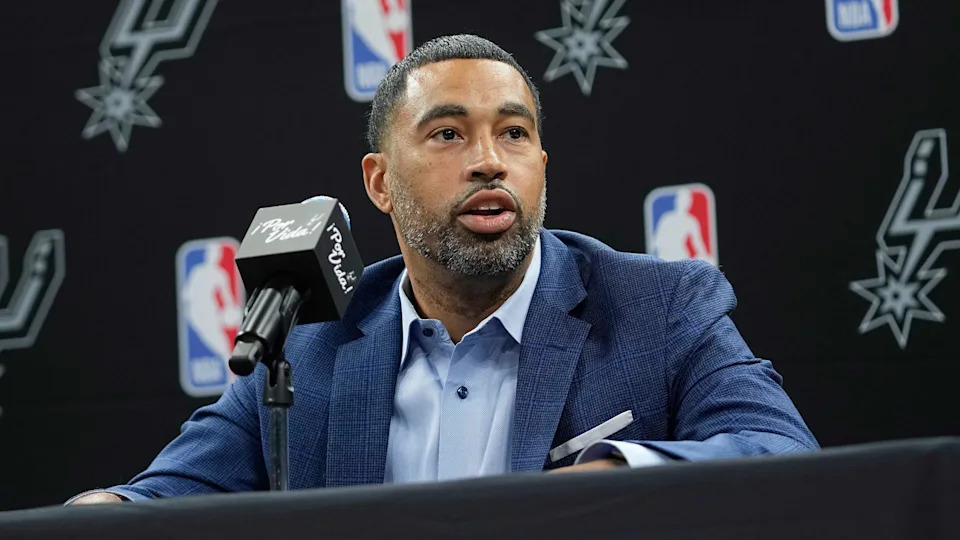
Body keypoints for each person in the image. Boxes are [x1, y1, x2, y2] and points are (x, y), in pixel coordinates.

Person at [69, 34, 817, 504]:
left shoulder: (658, 308)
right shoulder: (309, 345)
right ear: (379, 182)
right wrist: (104, 512)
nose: (489, 160)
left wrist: (617, 475)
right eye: (449, 132)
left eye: (514, 133)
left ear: (541, 164)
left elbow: (783, 458)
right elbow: (165, 496)